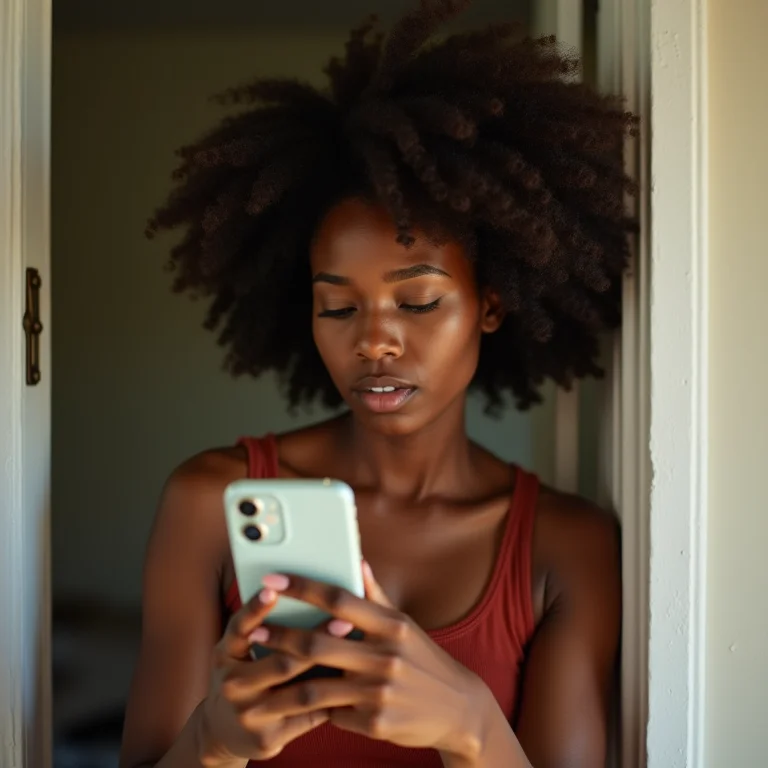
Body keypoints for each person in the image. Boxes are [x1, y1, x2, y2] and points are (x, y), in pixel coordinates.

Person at [119, 1, 637, 766]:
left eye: (419, 301)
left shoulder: (568, 546)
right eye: (338, 306)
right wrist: (214, 742)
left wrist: (471, 724)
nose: (374, 340)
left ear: (491, 305)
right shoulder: (209, 502)